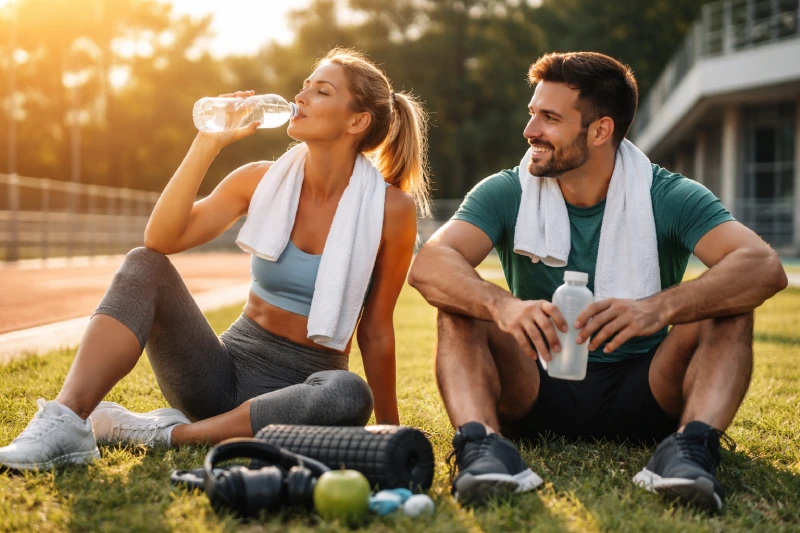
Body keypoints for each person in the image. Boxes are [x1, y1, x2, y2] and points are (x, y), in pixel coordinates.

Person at [0, 48, 428, 470]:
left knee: (349, 393)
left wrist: (391, 435)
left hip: (303, 389)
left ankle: (162, 434)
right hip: (218, 374)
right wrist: (208, 142)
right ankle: (67, 421)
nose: (300, 97)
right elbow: (161, 238)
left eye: (321, 91)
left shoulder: (390, 211)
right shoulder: (259, 180)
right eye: (304, 87)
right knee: (144, 263)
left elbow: (375, 331)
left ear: (357, 121)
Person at [408, 51, 787, 511]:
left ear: (601, 130)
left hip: (645, 389)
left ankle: (691, 451)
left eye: (549, 118)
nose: (530, 132)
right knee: (461, 304)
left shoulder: (668, 194)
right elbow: (430, 265)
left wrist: (659, 307)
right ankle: (481, 449)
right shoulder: (507, 189)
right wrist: (503, 306)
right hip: (536, 382)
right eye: (533, 114)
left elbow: (762, 266)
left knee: (729, 302)